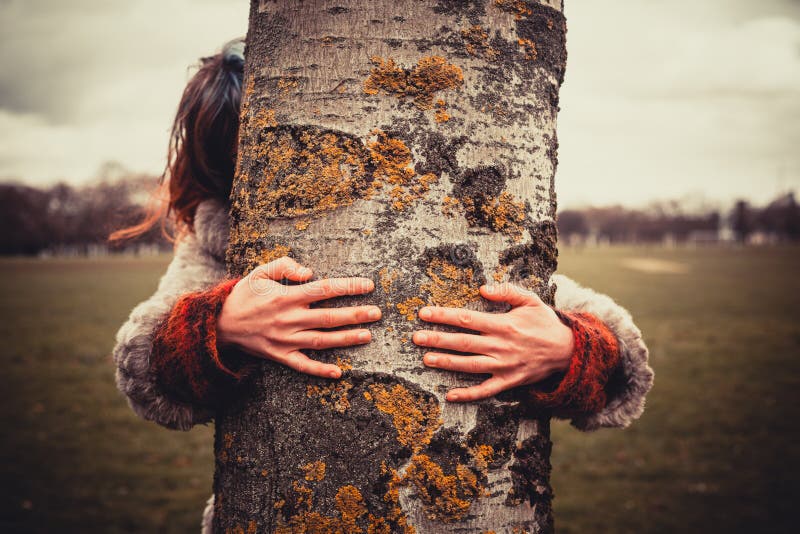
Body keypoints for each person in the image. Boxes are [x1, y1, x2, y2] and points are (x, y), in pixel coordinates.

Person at [111, 38, 654, 532]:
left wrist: (569, 348)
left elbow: (622, 366)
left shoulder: (441, 224)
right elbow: (146, 373)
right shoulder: (215, 244)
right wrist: (218, 326)